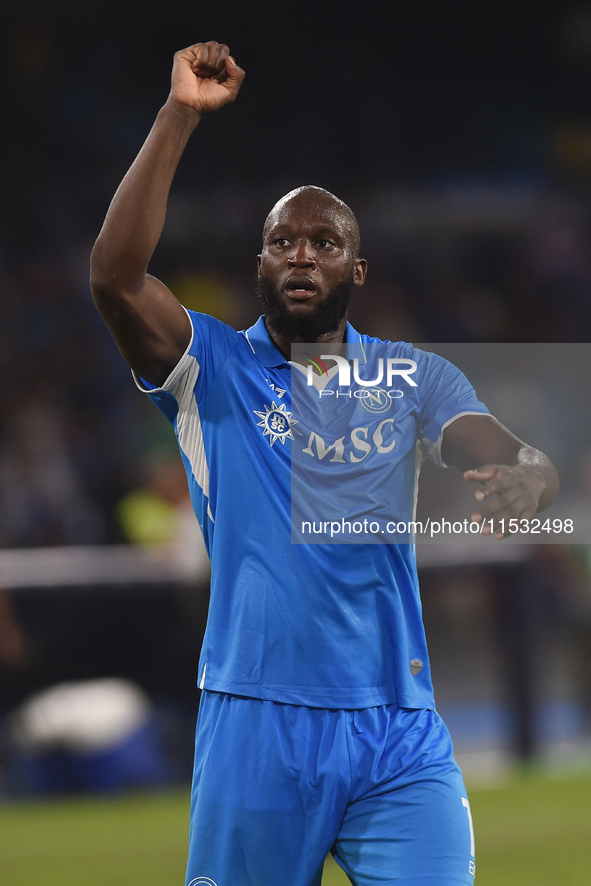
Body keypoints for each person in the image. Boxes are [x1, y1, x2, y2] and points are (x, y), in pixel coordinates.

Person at [90, 41, 559, 886]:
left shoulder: (411, 376)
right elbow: (116, 278)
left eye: (324, 242)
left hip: (396, 730)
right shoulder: (212, 374)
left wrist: (529, 474)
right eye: (282, 242)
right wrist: (180, 115)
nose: (302, 254)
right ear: (260, 264)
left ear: (357, 269)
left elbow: (498, 448)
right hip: (256, 722)